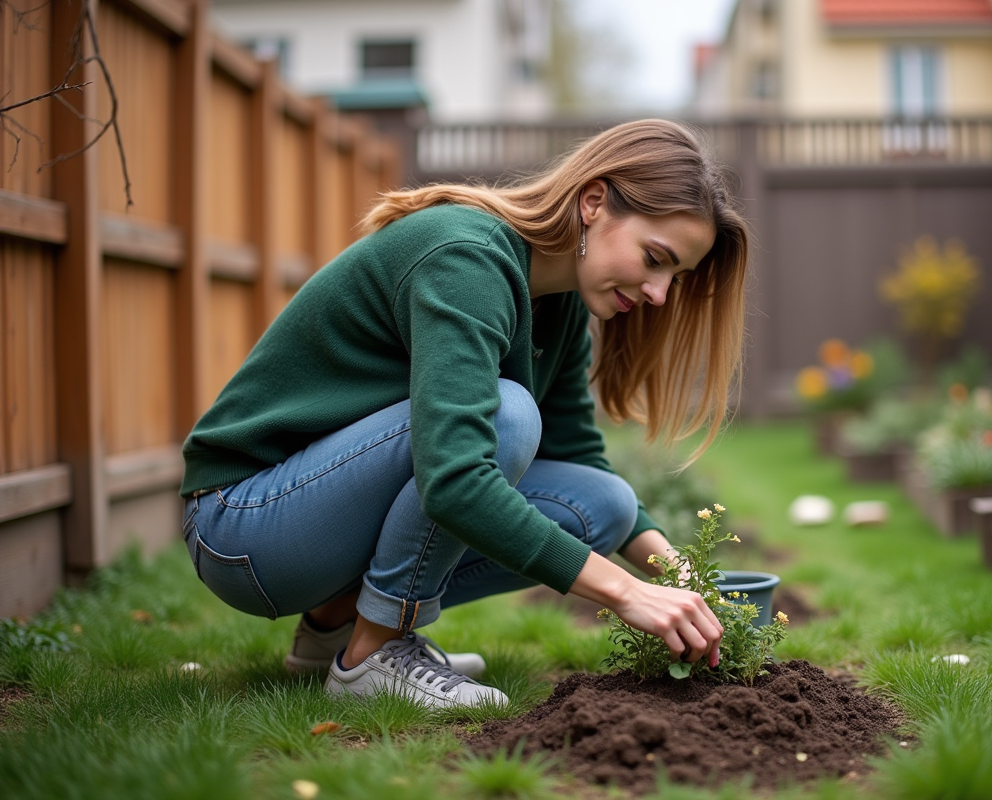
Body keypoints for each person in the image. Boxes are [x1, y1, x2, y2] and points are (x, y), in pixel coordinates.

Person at [179, 119, 749, 708]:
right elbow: (455, 480)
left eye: (673, 277)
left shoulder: (560, 305)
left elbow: (576, 458)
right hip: (243, 524)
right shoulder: (466, 258)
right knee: (506, 417)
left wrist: (682, 579)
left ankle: (333, 631)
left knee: (602, 503)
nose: (658, 293)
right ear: (594, 202)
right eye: (655, 258)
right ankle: (372, 656)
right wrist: (628, 593)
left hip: (313, 516)